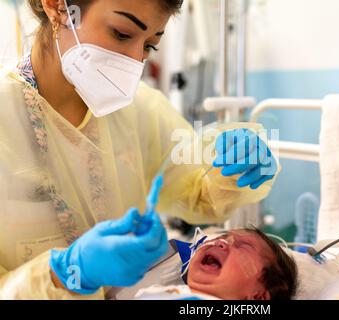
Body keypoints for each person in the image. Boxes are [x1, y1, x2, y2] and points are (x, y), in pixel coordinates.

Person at [0, 0, 279, 299]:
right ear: (57, 7)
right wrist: (66, 273)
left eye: (149, 46)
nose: (135, 60)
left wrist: (234, 170)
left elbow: (199, 190)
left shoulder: (138, 111)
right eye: (122, 33)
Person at [123, 228, 298, 300]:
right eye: (222, 238)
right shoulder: (155, 291)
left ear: (258, 297)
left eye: (243, 246)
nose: (220, 243)